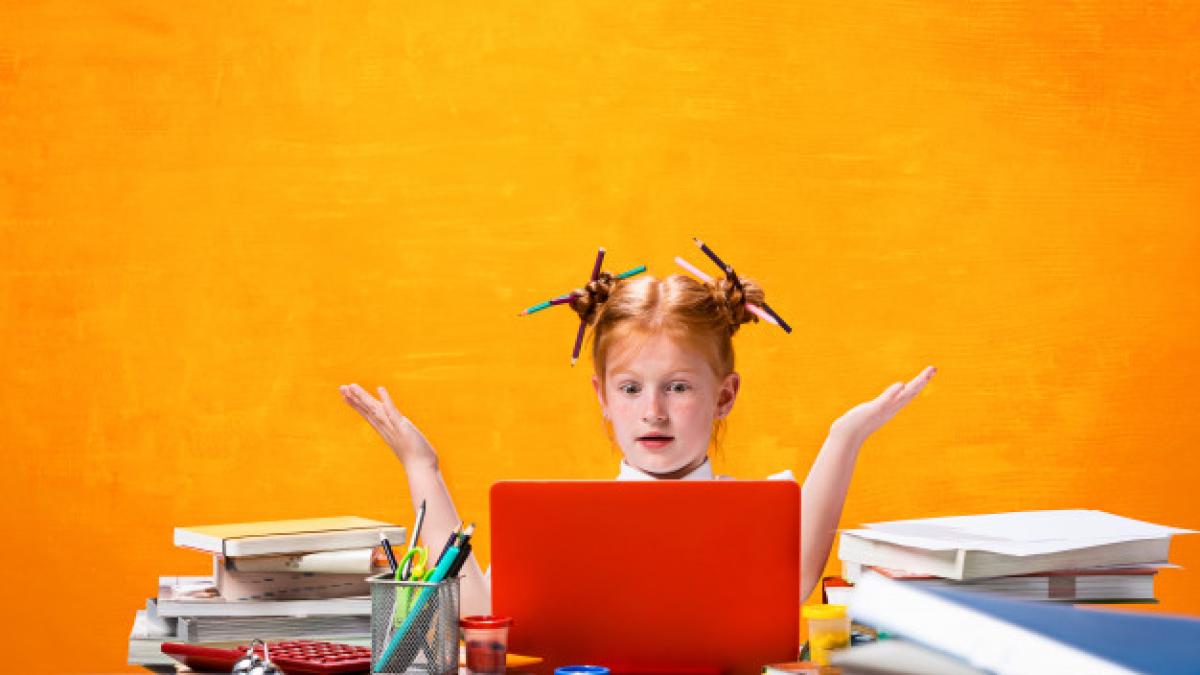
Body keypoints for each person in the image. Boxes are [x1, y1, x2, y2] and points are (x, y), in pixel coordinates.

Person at [341, 270, 935, 617]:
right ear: (602, 395)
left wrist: (845, 435)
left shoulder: (758, 511)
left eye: (677, 387)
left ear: (724, 396)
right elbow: (481, 616)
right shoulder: (560, 524)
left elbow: (796, 583)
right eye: (630, 388)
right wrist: (422, 465)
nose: (653, 412)